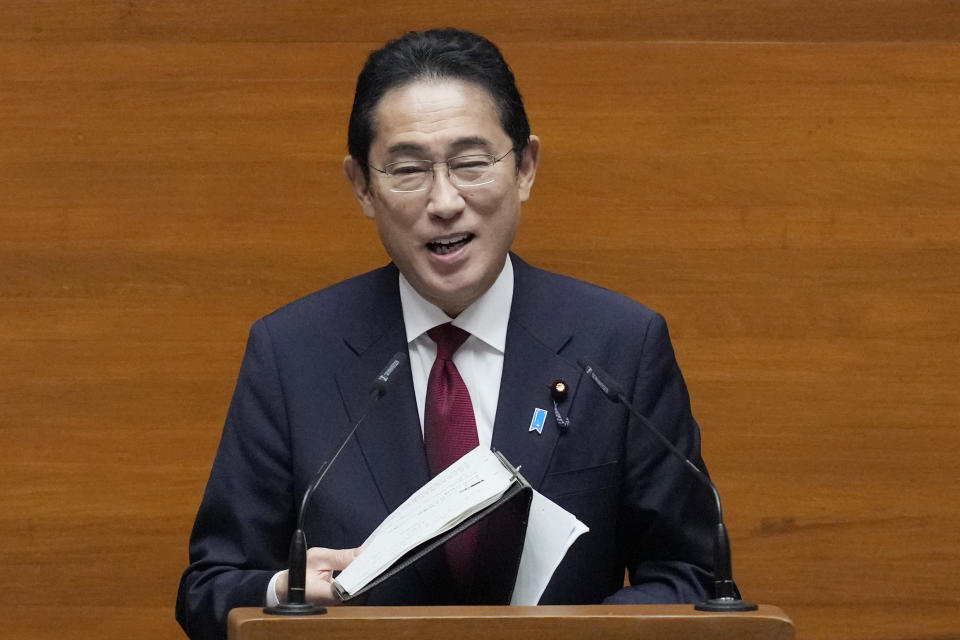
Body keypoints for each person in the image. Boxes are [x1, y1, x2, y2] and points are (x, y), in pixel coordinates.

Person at [176, 27, 716, 640]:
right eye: (408, 170)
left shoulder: (620, 343)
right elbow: (208, 589)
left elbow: (691, 576)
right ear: (362, 187)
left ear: (526, 168)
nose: (444, 201)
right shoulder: (293, 352)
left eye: (470, 164)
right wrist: (288, 589)